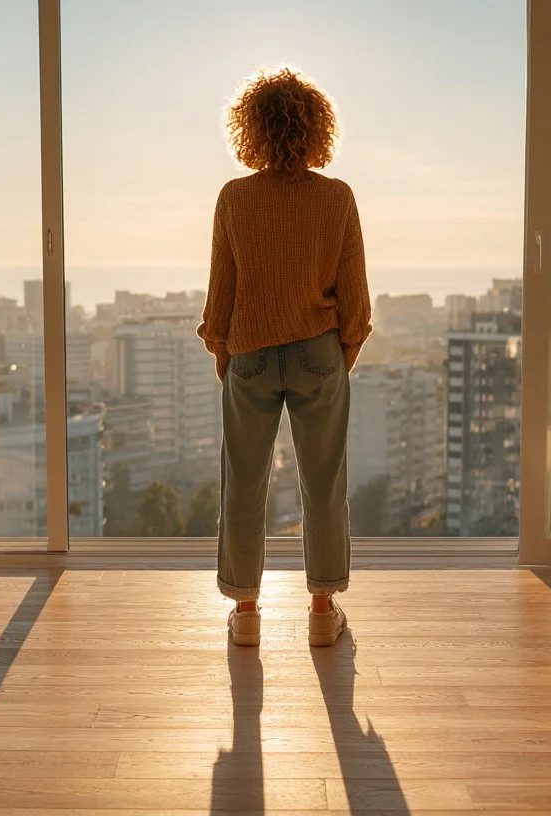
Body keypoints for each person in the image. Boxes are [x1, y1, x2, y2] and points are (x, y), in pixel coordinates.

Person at [197, 66, 372, 648]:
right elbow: (357, 300)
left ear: (252, 129)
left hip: (248, 352)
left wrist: (224, 350)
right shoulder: (338, 197)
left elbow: (222, 290)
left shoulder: (234, 197)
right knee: (323, 483)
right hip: (318, 352)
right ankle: (323, 612)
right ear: (316, 128)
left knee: (243, 482)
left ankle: (246, 615)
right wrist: (339, 355)